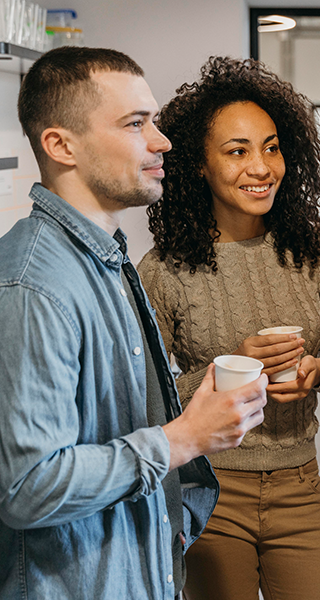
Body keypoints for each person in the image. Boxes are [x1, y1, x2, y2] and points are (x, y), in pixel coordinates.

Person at [0, 47, 269, 599]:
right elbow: (27, 487)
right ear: (60, 145)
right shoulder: (33, 286)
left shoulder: (106, 257)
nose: (162, 141)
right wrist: (183, 439)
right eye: (135, 123)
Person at [138, 56, 320, 600]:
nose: (261, 167)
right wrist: (221, 370)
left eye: (271, 147)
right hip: (209, 487)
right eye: (237, 151)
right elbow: (148, 397)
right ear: (198, 164)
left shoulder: (312, 251)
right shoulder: (164, 270)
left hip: (300, 482)